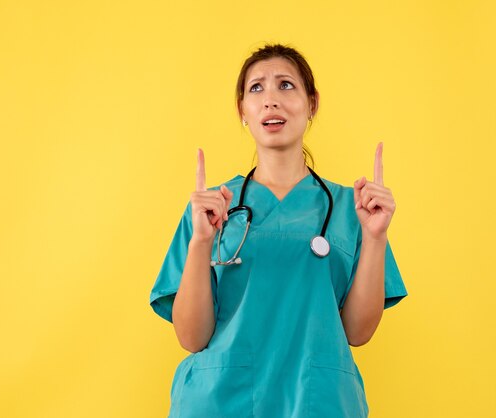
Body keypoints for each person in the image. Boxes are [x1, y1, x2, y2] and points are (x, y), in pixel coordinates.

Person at [150, 43, 408, 418]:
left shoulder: (356, 211)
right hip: (220, 403)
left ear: (312, 103)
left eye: (286, 85)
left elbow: (357, 333)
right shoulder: (211, 209)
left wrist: (376, 236)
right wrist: (201, 242)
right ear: (242, 110)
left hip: (318, 403)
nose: (271, 99)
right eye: (256, 88)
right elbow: (191, 338)